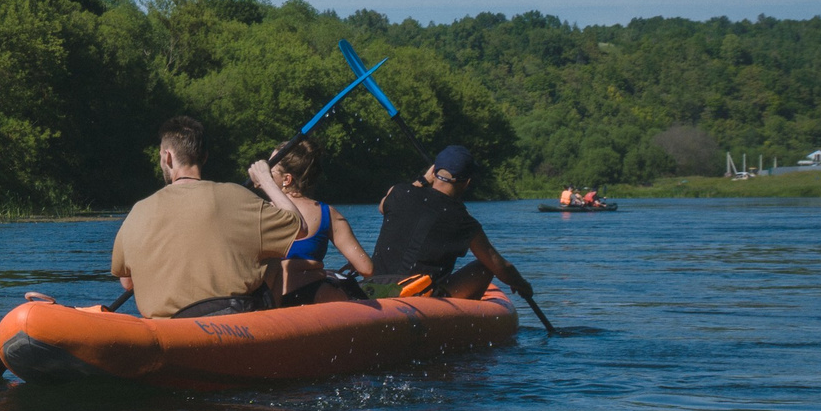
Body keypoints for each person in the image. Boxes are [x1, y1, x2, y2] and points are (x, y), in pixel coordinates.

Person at [111, 115, 302, 318]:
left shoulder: (138, 211)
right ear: (204, 157)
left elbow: (127, 282)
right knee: (271, 257)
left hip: (167, 325)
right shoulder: (237, 195)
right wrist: (265, 179)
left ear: (167, 157)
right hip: (232, 319)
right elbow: (298, 226)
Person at [370, 144, 535, 301]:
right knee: (485, 267)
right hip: (419, 299)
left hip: (375, 287)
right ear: (467, 182)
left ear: (433, 172)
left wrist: (422, 180)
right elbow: (499, 265)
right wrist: (521, 284)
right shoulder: (463, 220)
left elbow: (382, 206)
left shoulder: (398, 192)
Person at [246, 137, 375, 304]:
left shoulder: (259, 212)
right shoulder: (328, 213)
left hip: (270, 301)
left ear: (287, 179)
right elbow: (366, 269)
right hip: (314, 294)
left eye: (269, 170)